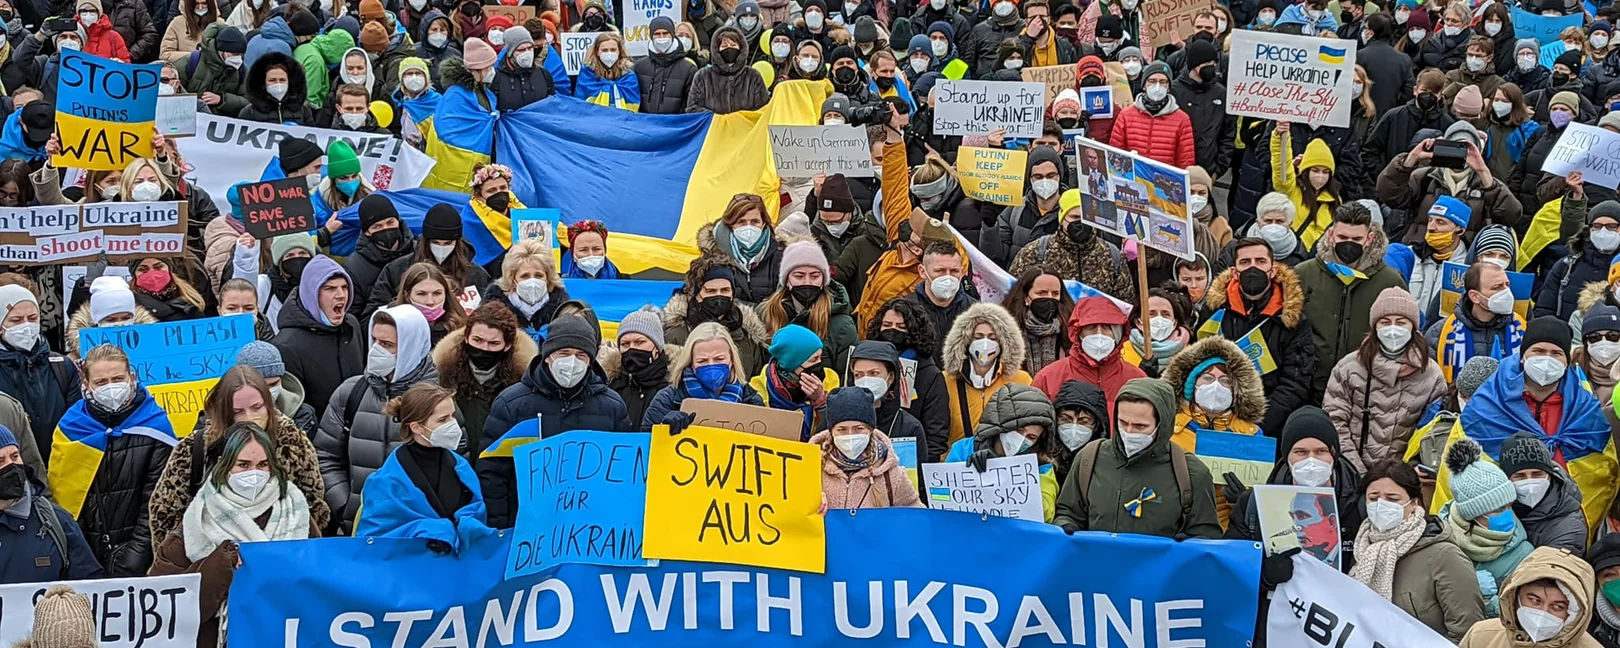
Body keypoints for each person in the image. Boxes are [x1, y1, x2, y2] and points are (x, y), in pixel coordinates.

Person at [148, 423, 316, 647]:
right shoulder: (194, 523)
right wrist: (219, 565)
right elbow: (167, 608)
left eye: (263, 465)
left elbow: (317, 584)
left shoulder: (298, 514)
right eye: (243, 465)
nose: (253, 473)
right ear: (224, 466)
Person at [1456, 317, 1614, 534]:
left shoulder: (1586, 410)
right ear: (1523, 357)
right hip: (1494, 526)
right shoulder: (1486, 405)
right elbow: (1457, 472)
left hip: (1564, 525)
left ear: (1567, 361)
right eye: (1538, 351)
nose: (1546, 359)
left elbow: (1601, 477)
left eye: (1556, 353)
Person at [147, 362, 327, 547]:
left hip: (284, 561)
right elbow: (165, 515)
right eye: (238, 411)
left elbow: (313, 506)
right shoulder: (195, 448)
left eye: (256, 407)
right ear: (225, 413)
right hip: (211, 563)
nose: (250, 416)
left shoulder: (293, 445)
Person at [480, 315, 632, 528]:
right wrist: (501, 529)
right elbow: (493, 472)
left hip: (590, 526)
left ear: (591, 360)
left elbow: (623, 472)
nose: (572, 362)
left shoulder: (612, 406)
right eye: (564, 353)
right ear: (548, 356)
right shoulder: (512, 403)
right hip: (528, 525)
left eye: (581, 355)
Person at [49, 344, 176, 577]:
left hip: (138, 561)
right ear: (85, 385)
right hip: (83, 557)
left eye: (117, 378)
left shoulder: (156, 428)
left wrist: (134, 557)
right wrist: (80, 556)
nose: (111, 387)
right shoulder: (70, 429)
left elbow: (157, 501)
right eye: (101, 382)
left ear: (132, 378)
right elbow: (63, 499)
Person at [315, 304, 438, 534]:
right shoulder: (351, 392)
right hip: (356, 529)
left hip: (417, 532)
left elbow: (454, 467)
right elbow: (325, 455)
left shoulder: (437, 402)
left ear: (411, 348)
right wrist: (345, 507)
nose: (377, 350)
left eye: (388, 345)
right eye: (375, 341)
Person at [1052, 378, 1221, 539]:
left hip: (1159, 568)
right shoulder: (1090, 458)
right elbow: (1068, 511)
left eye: (1140, 426)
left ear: (1162, 425)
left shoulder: (1191, 473)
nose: (1129, 432)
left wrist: (1187, 547)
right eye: (1123, 423)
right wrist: (1066, 526)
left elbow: (1206, 536)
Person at [1348, 460, 1487, 641]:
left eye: (1392, 499)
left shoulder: (1444, 556)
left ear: (1414, 503)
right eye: (1374, 498)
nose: (1381, 505)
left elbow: (1467, 631)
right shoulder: (1363, 548)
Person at [356, 383, 496, 551]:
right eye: (443, 419)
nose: (453, 424)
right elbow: (373, 541)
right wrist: (428, 531)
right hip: (411, 572)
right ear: (416, 427)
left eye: (452, 416)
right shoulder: (385, 481)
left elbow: (477, 512)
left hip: (458, 569)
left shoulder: (460, 466)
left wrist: (464, 526)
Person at [1323, 287, 1448, 473]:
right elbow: (1334, 422)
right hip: (1352, 471)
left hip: (1404, 477)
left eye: (1401, 322)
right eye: (1385, 322)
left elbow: (1431, 433)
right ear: (1374, 326)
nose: (1393, 329)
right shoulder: (1348, 368)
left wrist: (1405, 475)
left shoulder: (1432, 375)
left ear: (1413, 326)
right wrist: (1356, 471)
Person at [1200, 238, 1315, 435]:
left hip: (1267, 425)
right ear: (1234, 272)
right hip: (1213, 417)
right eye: (1245, 262)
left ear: (1273, 270)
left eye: (1260, 261)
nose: (1253, 267)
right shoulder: (1213, 310)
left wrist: (1257, 424)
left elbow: (1295, 383)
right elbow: (1197, 362)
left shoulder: (1292, 319)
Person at [1226, 407, 1366, 564]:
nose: (1311, 460)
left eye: (1321, 451)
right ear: (1287, 457)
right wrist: (1265, 576)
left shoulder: (1361, 503)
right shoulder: (1253, 504)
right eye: (1301, 452)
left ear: (1334, 455)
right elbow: (1235, 565)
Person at [1295, 204, 1407, 396]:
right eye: (1342, 237)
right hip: (1307, 386)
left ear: (1369, 238)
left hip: (1363, 389)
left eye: (1356, 239)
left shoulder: (1389, 281)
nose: (1349, 244)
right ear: (1330, 234)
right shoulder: (1303, 274)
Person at [1378, 122, 1525, 242]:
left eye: (1466, 148)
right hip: (1422, 250)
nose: (1460, 154)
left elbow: (1511, 216)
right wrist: (1411, 159)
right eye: (1453, 146)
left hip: (1463, 259)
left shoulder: (1487, 184)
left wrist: (1483, 171)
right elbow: (1389, 195)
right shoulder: (1425, 177)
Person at [1444, 437, 1537, 617]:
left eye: (1509, 506)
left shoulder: (1525, 553)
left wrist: (1488, 601)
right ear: (1471, 514)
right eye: (1499, 509)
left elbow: (1524, 615)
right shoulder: (1441, 538)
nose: (1508, 514)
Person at [0, 424, 103, 583]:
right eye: (0, 461)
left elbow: (90, 585)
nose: (11, 466)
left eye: (15, 456)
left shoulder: (55, 520)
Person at [944, 382, 1060, 522]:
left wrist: (1003, 476)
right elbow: (944, 497)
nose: (1021, 440)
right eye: (1019, 430)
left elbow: (1045, 514)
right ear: (1001, 423)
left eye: (1031, 437)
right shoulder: (963, 449)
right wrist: (971, 473)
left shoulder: (1042, 464)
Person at [271, 255, 365, 416]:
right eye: (330, 288)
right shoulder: (286, 346)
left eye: (344, 287)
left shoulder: (352, 325)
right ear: (311, 293)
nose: (341, 294)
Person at [1459, 546, 1601, 647]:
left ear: (1574, 614)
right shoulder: (1480, 636)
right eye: (1534, 600)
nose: (1543, 613)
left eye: (1557, 607)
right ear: (1515, 597)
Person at [431, 302, 535, 439]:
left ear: (507, 345)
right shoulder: (442, 375)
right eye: (477, 340)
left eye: (494, 343)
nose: (484, 348)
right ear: (466, 338)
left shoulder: (524, 383)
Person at [1006, 190, 1133, 302]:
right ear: (1062, 218)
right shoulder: (1035, 252)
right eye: (1074, 217)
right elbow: (1013, 295)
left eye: (1086, 218)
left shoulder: (1112, 255)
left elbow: (1126, 300)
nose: (1080, 223)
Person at [0, 283, 79, 462]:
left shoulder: (62, 366)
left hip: (61, 466)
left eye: (32, 318)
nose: (26, 326)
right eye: (16, 320)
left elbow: (76, 423)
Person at [939, 303, 1031, 452]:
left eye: (992, 337)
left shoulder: (1022, 380)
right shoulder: (945, 380)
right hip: (956, 464)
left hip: (1003, 463)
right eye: (978, 337)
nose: (985, 343)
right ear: (966, 341)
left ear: (1003, 343)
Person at [639, 321, 765, 430]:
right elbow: (645, 448)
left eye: (719, 359)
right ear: (690, 363)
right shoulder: (666, 400)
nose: (711, 365)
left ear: (732, 360)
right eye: (702, 361)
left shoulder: (751, 401)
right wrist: (663, 429)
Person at [866, 297, 951, 459]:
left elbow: (936, 436)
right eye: (887, 325)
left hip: (909, 462)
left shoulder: (930, 375)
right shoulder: (863, 369)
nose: (892, 331)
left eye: (901, 327)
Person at [368, 204, 491, 316]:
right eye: (435, 242)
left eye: (448, 243)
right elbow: (374, 315)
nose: (441, 248)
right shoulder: (397, 270)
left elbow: (489, 315)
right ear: (426, 242)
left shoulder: (477, 275)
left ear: (457, 243)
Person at [813, 387, 923, 510]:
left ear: (870, 429)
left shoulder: (892, 475)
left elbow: (914, 513)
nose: (850, 435)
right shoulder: (812, 468)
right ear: (831, 431)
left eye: (858, 428)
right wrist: (811, 503)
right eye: (842, 429)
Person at [759, 239, 858, 371]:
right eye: (799, 276)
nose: (807, 282)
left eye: (814, 276)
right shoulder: (765, 314)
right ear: (787, 281)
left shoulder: (842, 324)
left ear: (823, 281)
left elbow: (846, 377)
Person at [1032, 295, 1146, 409]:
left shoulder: (1136, 379)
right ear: (1077, 332)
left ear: (1118, 334)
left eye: (1107, 327)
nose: (1099, 334)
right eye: (1091, 327)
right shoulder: (1047, 378)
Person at [1427, 261, 1527, 383]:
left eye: (1507, 285)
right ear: (1474, 296)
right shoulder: (1440, 332)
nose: (1506, 292)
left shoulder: (1522, 328)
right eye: (1497, 287)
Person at [1162, 336, 1265, 453]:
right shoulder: (1168, 427)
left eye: (1225, 380)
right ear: (1192, 385)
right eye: (1208, 378)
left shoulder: (1252, 434)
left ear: (1236, 390)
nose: (1216, 385)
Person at [1498, 432, 1589, 553]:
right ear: (1507, 479)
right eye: (1519, 476)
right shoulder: (1495, 507)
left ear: (1550, 476)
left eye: (1537, 474)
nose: (1530, 483)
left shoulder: (1569, 526)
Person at [751, 324, 841, 442]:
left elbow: (836, 430)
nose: (819, 364)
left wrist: (821, 401)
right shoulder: (758, 388)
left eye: (820, 357)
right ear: (791, 365)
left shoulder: (830, 379)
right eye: (813, 359)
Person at [980, 147, 1066, 268]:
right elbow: (994, 257)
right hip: (1020, 283)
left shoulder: (1071, 212)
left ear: (1060, 175)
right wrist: (990, 228)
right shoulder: (1015, 209)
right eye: (1038, 176)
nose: (1045, 181)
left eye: (1051, 175)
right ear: (1030, 179)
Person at [1538, 200, 1619, 323]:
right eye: (1596, 226)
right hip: (1567, 339)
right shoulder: (1567, 265)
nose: (1603, 232)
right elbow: (1544, 309)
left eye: (1611, 226)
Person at [1108, 61, 1195, 169]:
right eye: (1152, 81)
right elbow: (1116, 153)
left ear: (1168, 87)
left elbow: (1185, 161)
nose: (1157, 86)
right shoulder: (1126, 115)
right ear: (1144, 85)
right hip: (1133, 181)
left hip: (1165, 181)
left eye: (1163, 82)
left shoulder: (1182, 119)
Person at [598, 306, 668, 427]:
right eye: (625, 344)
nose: (632, 348)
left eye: (639, 342)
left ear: (657, 347)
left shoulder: (675, 385)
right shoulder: (609, 386)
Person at [486, 239, 570, 336]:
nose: (532, 281)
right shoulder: (492, 313)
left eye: (539, 275)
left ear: (548, 278)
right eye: (525, 276)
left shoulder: (563, 311)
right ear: (512, 280)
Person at [1000, 269, 1072, 376]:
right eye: (1041, 293)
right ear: (1026, 297)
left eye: (1055, 293)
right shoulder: (1005, 331)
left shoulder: (1070, 330)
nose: (1049, 298)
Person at [1409, 197, 1474, 314]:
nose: (1431, 227)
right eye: (1430, 220)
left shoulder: (1470, 267)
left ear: (1460, 230)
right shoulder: (1410, 255)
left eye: (1440, 222)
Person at [685, 25, 769, 114]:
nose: (729, 48)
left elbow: (763, 109)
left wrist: (739, 119)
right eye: (724, 46)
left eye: (733, 45)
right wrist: (718, 119)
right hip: (713, 127)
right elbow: (693, 108)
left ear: (741, 48)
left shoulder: (753, 76)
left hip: (746, 127)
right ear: (716, 49)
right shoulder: (703, 76)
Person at [65, 276, 156, 358]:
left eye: (126, 318)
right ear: (96, 321)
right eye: (111, 320)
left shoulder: (156, 353)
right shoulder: (73, 363)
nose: (120, 324)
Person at [1120, 285, 1194, 376]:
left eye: (1166, 314)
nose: (1159, 319)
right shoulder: (1122, 353)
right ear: (1138, 322)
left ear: (1174, 322)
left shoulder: (1191, 355)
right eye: (1151, 314)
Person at [179, 24, 248, 116]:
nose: (238, 58)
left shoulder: (242, 70)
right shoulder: (191, 62)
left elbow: (248, 100)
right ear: (221, 50)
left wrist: (222, 100)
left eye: (241, 55)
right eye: (234, 54)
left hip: (221, 122)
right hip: (190, 118)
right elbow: (174, 92)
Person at [390, 263, 466, 345]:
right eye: (422, 294)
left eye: (437, 293)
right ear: (407, 295)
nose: (430, 302)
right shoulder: (389, 324)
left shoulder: (461, 328)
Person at [633, 16, 696, 114]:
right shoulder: (640, 66)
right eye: (657, 34)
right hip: (644, 125)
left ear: (672, 35)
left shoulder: (688, 69)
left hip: (674, 126)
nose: (661, 37)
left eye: (665, 33)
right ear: (651, 36)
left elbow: (691, 104)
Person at [492, 24, 555, 111]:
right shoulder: (495, 79)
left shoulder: (544, 76)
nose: (527, 53)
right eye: (521, 50)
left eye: (530, 48)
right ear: (510, 53)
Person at [575, 31, 639, 110]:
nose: (609, 53)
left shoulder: (629, 76)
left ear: (619, 51)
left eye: (613, 50)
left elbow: (634, 104)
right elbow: (579, 102)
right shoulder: (587, 74)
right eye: (605, 50)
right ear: (597, 52)